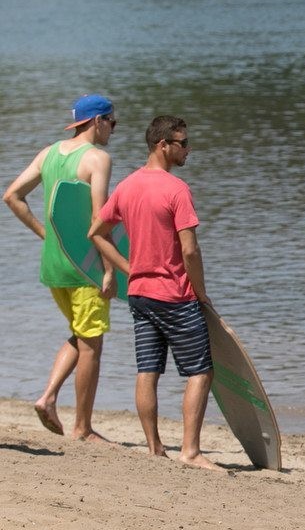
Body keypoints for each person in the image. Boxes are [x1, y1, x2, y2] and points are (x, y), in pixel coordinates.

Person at [89, 115, 221, 471]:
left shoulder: (127, 186)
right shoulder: (176, 190)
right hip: (175, 295)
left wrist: (128, 268)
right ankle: (190, 451)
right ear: (163, 145)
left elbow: (96, 232)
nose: (188, 149)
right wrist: (201, 292)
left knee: (148, 369)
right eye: (182, 143)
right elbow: (190, 250)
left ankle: (154, 447)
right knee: (200, 371)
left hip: (140, 294)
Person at [3, 94, 117, 440]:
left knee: (82, 334)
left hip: (54, 263)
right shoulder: (98, 158)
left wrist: (47, 235)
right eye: (112, 122)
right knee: (92, 345)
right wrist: (109, 269)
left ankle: (48, 397)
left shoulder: (48, 153)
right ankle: (83, 427)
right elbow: (99, 218)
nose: (113, 129)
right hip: (86, 267)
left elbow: (12, 196)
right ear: (97, 121)